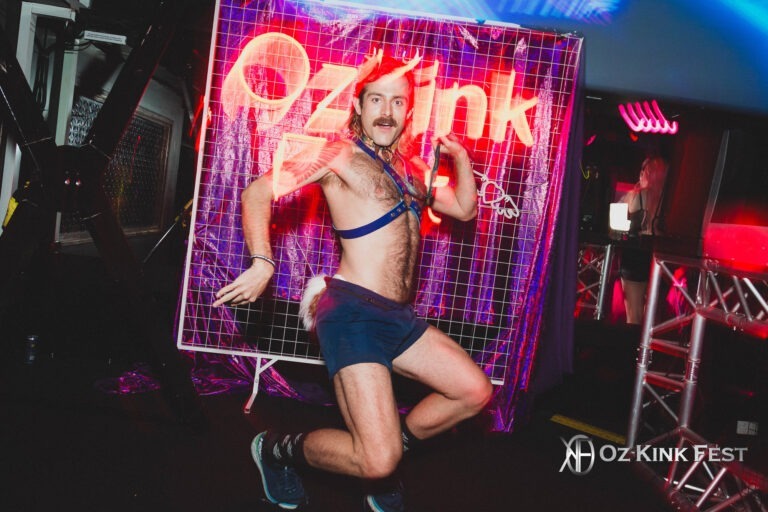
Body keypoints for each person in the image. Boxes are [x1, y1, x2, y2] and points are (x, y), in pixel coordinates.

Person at [213, 52, 493, 511]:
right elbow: (257, 191)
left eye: (398, 102)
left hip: (398, 317)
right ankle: (276, 449)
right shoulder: (337, 154)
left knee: (473, 392)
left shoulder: (412, 169)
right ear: (359, 106)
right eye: (376, 100)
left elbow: (463, 208)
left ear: (408, 111)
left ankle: (385, 448)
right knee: (378, 460)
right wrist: (263, 262)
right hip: (352, 314)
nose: (387, 111)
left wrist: (461, 158)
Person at [618, 155, 668, 324]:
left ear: (645, 173)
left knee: (634, 316)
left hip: (634, 256)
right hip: (660, 259)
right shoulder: (669, 202)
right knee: (653, 319)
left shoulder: (636, 196)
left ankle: (632, 341)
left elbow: (617, 225)